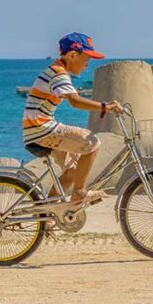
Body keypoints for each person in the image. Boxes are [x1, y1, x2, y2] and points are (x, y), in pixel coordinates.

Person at [22, 32, 124, 206]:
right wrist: (105, 107)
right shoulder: (58, 73)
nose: (87, 65)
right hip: (41, 129)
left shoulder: (56, 71)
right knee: (91, 142)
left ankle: (47, 212)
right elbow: (75, 101)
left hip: (37, 129)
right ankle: (80, 192)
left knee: (72, 171)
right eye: (86, 60)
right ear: (72, 55)